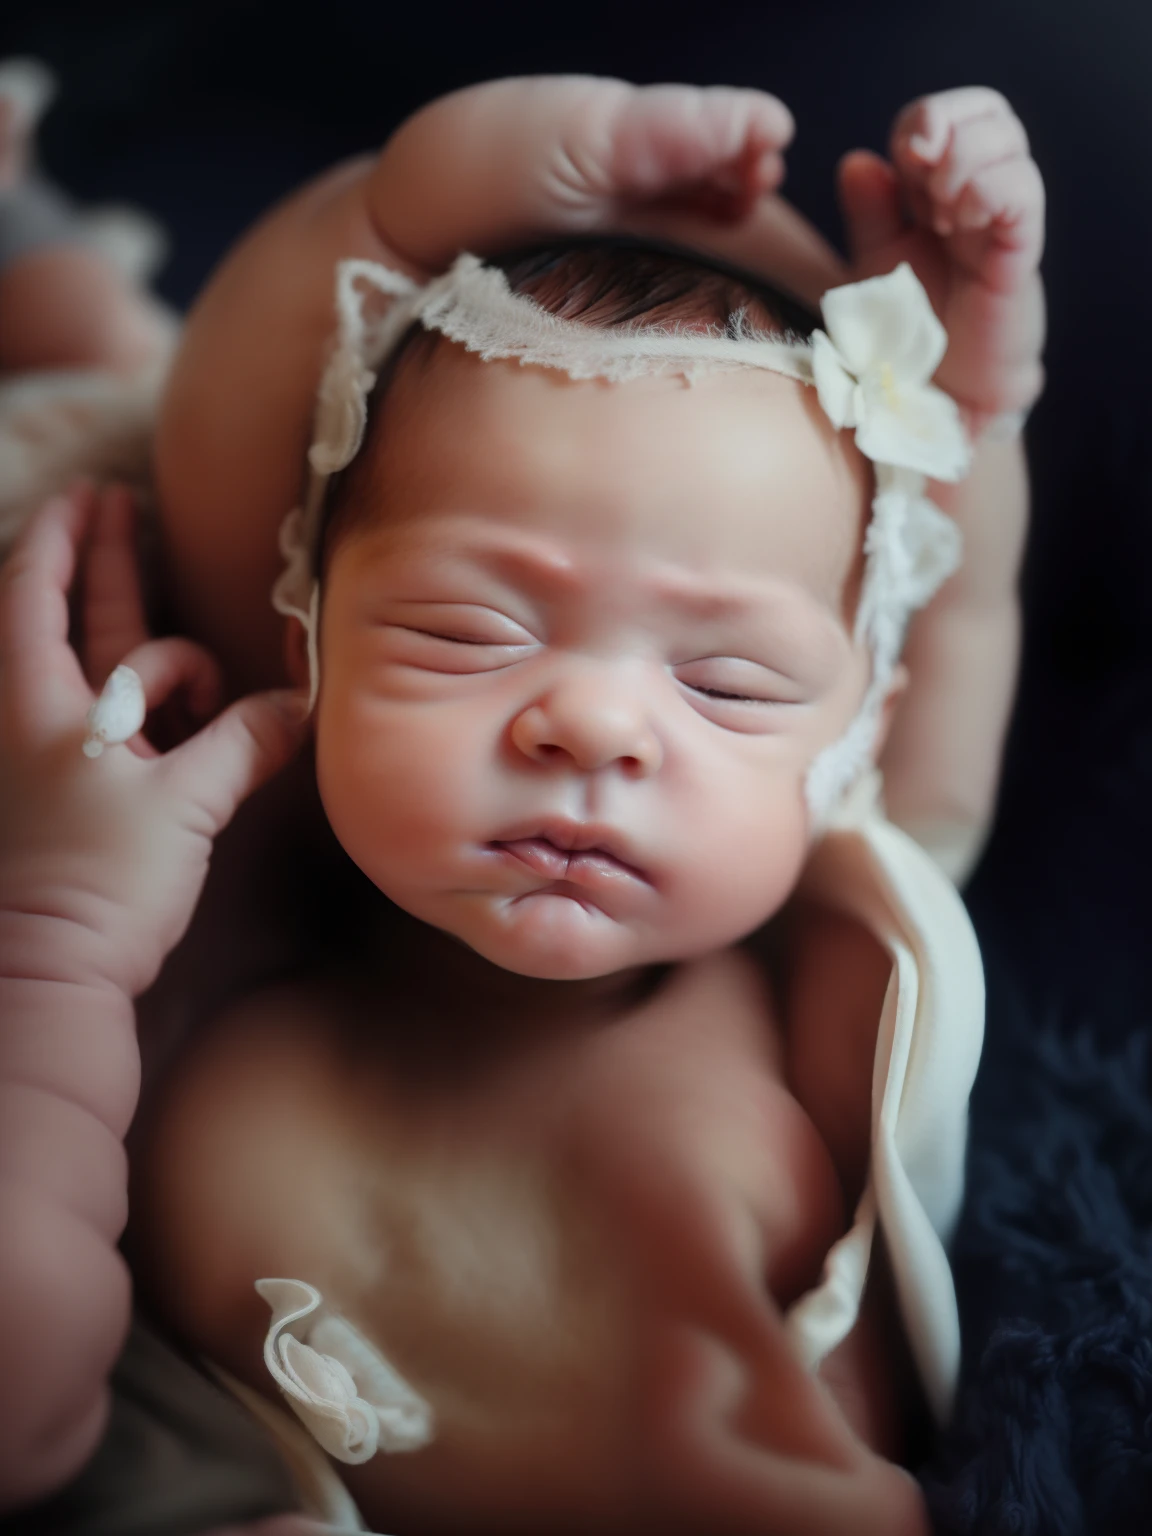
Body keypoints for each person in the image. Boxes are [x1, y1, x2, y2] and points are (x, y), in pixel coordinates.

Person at [0, 74, 1043, 1534]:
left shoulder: (820, 940)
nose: (595, 726)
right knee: (114, 390)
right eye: (467, 634)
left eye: (731, 681)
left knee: (105, 359)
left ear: (851, 729)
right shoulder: (201, 917)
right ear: (306, 635)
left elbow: (959, 600)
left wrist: (974, 383)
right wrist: (51, 937)